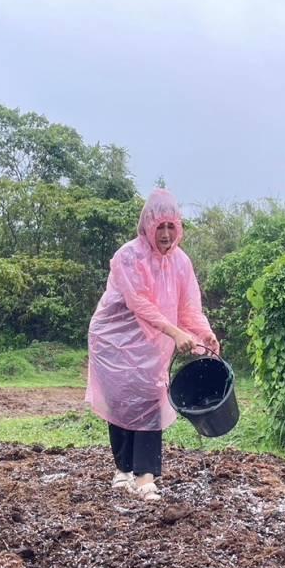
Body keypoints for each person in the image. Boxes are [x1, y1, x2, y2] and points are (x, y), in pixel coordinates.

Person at [86, 189, 219, 502]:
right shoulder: (127, 257)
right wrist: (175, 333)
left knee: (150, 397)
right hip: (114, 340)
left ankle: (145, 477)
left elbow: (189, 306)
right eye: (160, 227)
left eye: (172, 226)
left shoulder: (181, 262)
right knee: (121, 401)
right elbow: (140, 303)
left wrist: (204, 333)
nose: (167, 234)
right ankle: (123, 469)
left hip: (152, 341)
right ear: (147, 226)